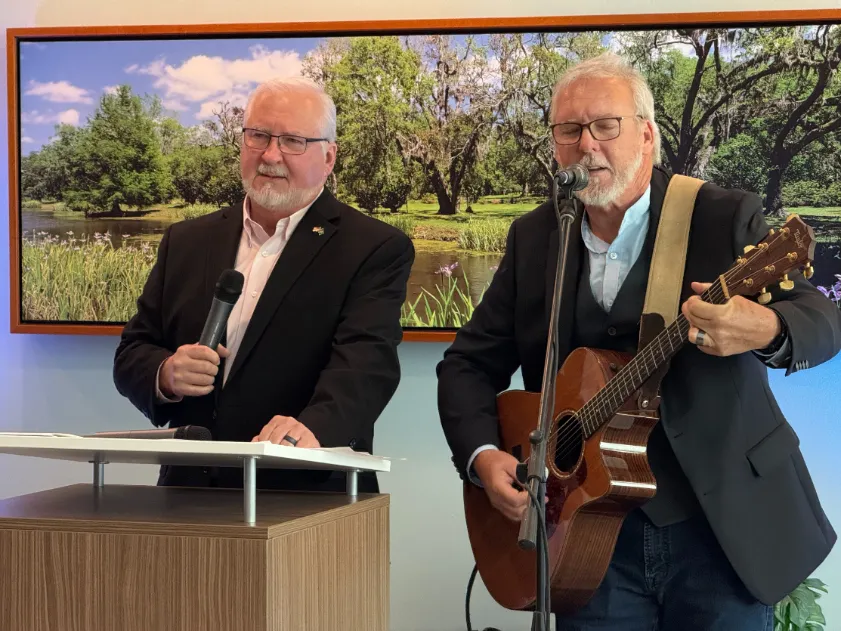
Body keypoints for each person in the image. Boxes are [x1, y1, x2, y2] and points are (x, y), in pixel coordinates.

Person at [437, 53, 841, 630]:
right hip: (586, 537)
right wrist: (484, 458)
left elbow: (822, 319)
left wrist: (767, 330)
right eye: (569, 130)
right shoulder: (534, 238)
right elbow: (467, 366)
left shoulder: (722, 217)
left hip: (719, 532)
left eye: (606, 125)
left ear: (647, 134)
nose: (586, 145)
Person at [114, 76, 414, 494]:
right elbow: (133, 351)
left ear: (328, 157)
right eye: (258, 136)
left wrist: (312, 429)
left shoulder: (373, 247)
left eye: (292, 140)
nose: (271, 155)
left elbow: (366, 366)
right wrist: (165, 374)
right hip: (187, 494)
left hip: (306, 493)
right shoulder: (185, 241)